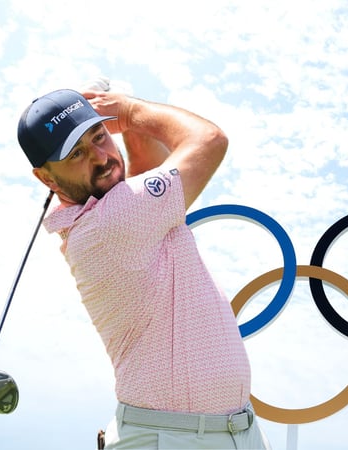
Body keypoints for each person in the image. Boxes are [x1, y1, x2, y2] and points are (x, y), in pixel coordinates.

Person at [16, 86, 271, 449]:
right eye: (77, 153)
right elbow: (210, 140)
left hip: (229, 432)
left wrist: (123, 120)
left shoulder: (120, 213)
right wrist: (129, 111)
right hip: (171, 438)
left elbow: (148, 168)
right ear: (47, 179)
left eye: (99, 136)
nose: (101, 157)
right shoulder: (110, 223)